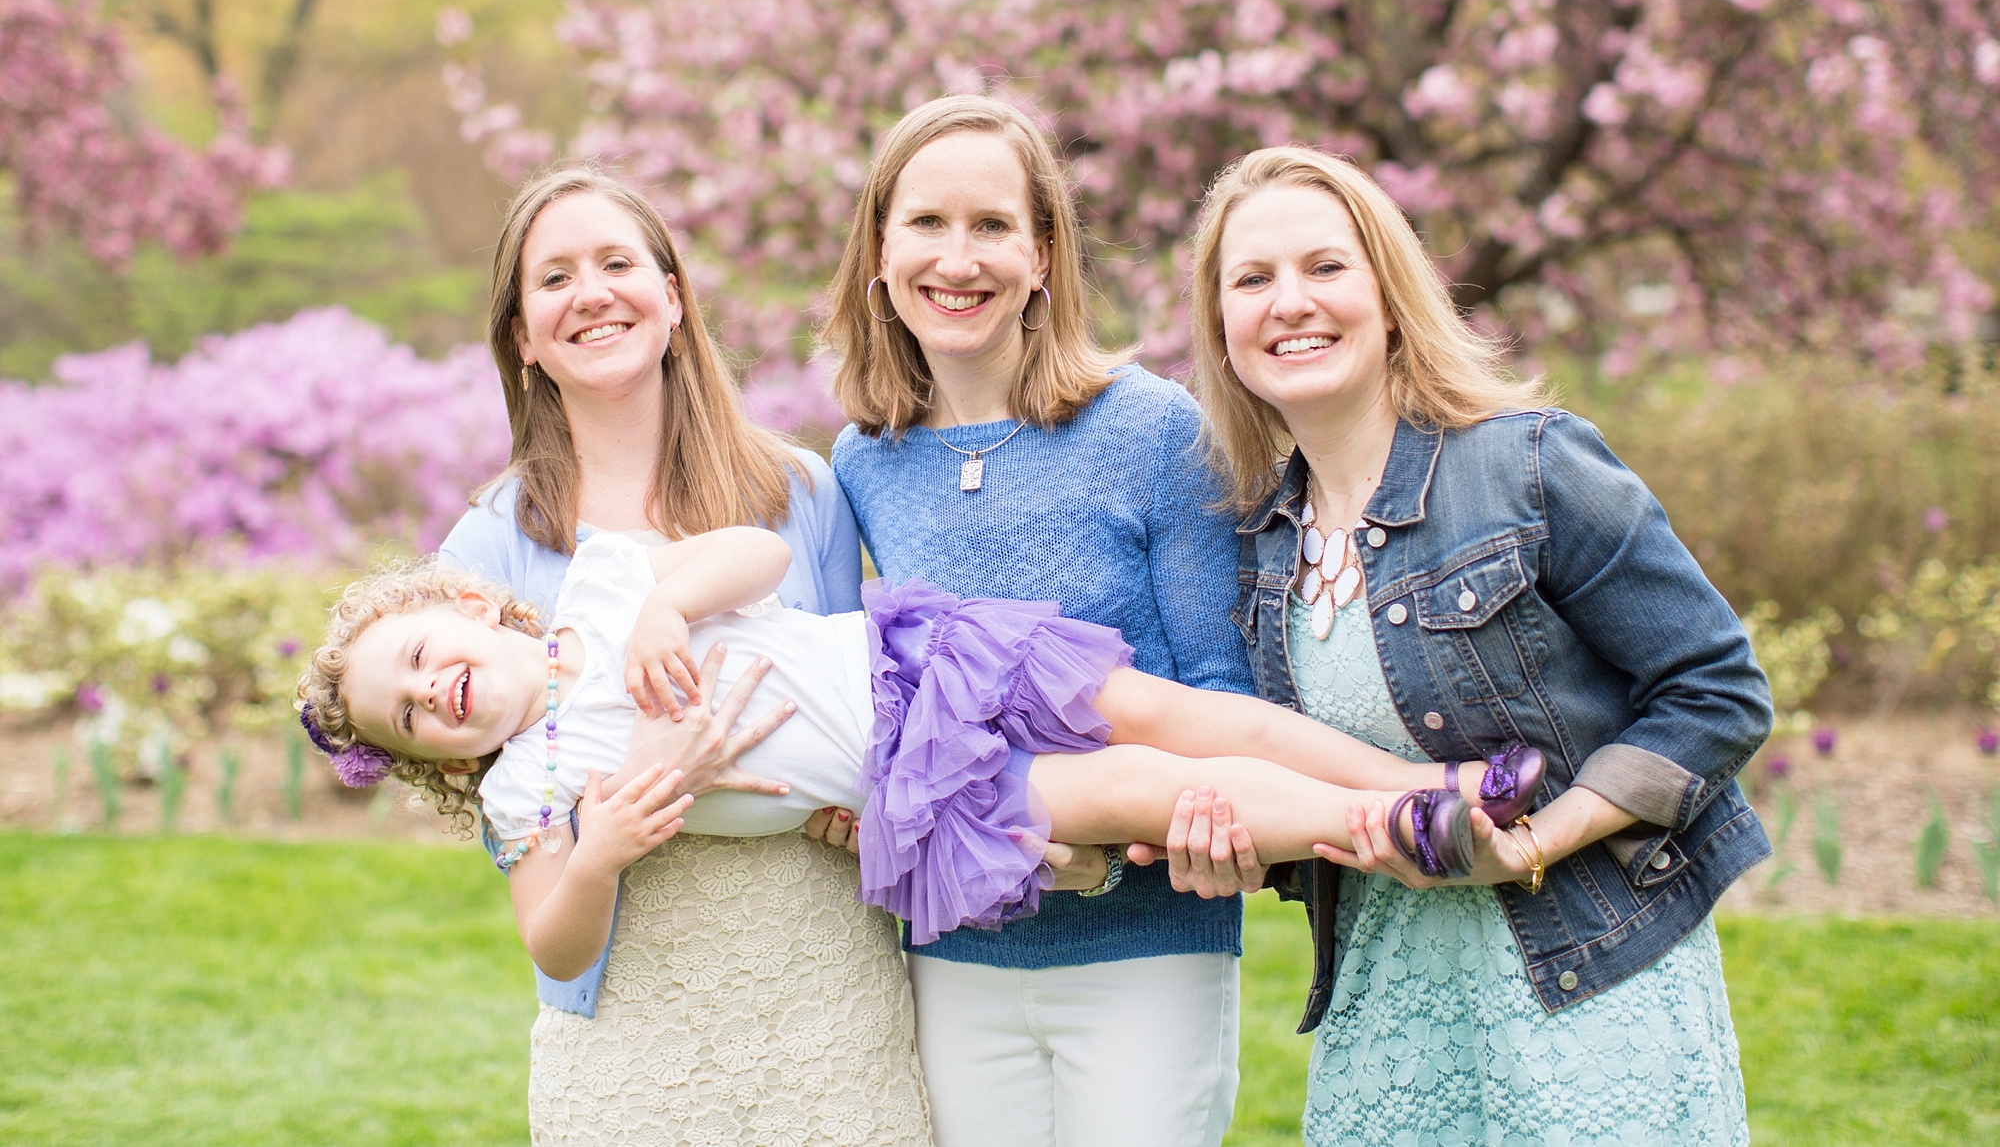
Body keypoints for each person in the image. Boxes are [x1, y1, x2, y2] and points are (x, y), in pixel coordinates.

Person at [1183, 145, 1771, 1146]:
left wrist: (1537, 841)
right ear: (1221, 329)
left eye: (1324, 266)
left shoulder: (1526, 464)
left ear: (1388, 290)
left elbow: (1714, 688)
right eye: (1252, 278)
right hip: (1391, 1009)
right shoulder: (1252, 545)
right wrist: (1237, 848)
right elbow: (1317, 787)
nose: (1289, 301)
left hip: (1586, 975)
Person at [295, 527, 1549, 959]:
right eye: (410, 716)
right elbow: (546, 934)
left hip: (915, 657)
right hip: (903, 785)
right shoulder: (536, 785)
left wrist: (670, 604)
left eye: (414, 659)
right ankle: (1384, 832)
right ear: (446, 760)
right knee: (1135, 789)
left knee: (1167, 710)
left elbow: (762, 557)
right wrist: (604, 854)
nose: (432, 691)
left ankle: (1423, 778)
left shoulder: (605, 593)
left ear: (463, 607)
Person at [427, 166, 930, 1146]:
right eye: (555, 277)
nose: (593, 292)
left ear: (671, 294)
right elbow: (513, 818)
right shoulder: (482, 555)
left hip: (819, 982)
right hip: (630, 1006)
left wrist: (855, 822)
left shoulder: (800, 490)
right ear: (522, 336)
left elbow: (867, 706)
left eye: (617, 262)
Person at [818, 95, 1256, 1147]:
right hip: (953, 960)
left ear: (1043, 252)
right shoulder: (860, 462)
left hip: (1145, 946)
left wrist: (1105, 843)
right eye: (925, 223)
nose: (955, 259)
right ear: (878, 251)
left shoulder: (1151, 428)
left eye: (990, 225)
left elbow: (1223, 693)